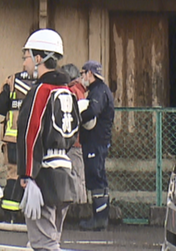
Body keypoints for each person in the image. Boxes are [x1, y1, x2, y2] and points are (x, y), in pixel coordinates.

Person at [16, 29, 80, 251]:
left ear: (38, 58)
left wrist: (26, 174)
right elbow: (74, 133)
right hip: (64, 171)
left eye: (26, 57)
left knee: (44, 245)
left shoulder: (41, 91)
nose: (25, 64)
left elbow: (29, 133)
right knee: (53, 238)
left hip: (42, 175)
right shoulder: (69, 91)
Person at [77, 60, 115, 231]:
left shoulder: (98, 92)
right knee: (98, 176)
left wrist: (77, 118)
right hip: (98, 141)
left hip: (96, 142)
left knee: (95, 177)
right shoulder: (98, 90)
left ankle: (99, 219)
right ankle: (100, 216)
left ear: (90, 74)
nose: (82, 77)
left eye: (83, 73)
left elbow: (93, 111)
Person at [0, 66, 34, 221]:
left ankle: (10, 213)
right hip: (35, 137)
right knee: (33, 172)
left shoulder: (12, 80)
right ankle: (30, 213)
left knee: (13, 173)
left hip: (13, 137)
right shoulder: (43, 80)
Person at [59, 64, 87, 208]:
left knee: (75, 174)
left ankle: (79, 206)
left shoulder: (73, 91)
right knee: (76, 174)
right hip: (75, 140)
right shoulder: (78, 91)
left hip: (73, 141)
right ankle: (80, 204)